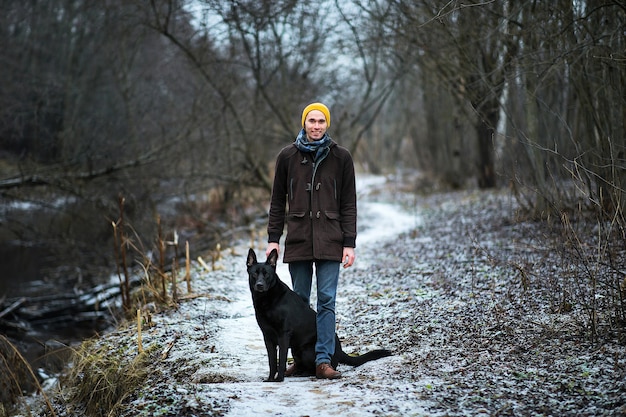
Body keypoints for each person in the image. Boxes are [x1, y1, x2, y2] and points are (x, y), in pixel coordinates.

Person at [266, 102, 357, 380]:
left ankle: (323, 361)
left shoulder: (341, 157)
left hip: (331, 239)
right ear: (304, 123)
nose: (316, 126)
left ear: (327, 124)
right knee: (299, 302)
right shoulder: (287, 157)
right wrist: (273, 239)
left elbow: (349, 204)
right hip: (299, 240)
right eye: (311, 121)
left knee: (327, 300)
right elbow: (277, 202)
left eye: (321, 121)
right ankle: (300, 360)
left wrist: (349, 243)